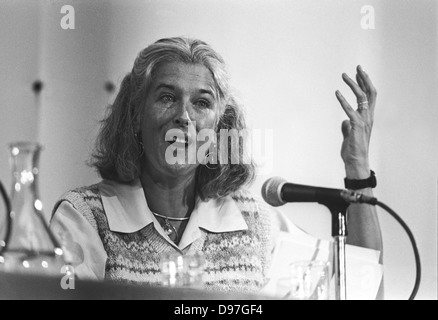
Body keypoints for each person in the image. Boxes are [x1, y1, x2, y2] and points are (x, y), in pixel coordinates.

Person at [50, 37, 383, 294]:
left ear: (219, 126)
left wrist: (358, 168)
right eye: (167, 97)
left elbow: (361, 282)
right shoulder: (84, 216)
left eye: (201, 102)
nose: (184, 116)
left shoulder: (253, 221)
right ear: (136, 115)